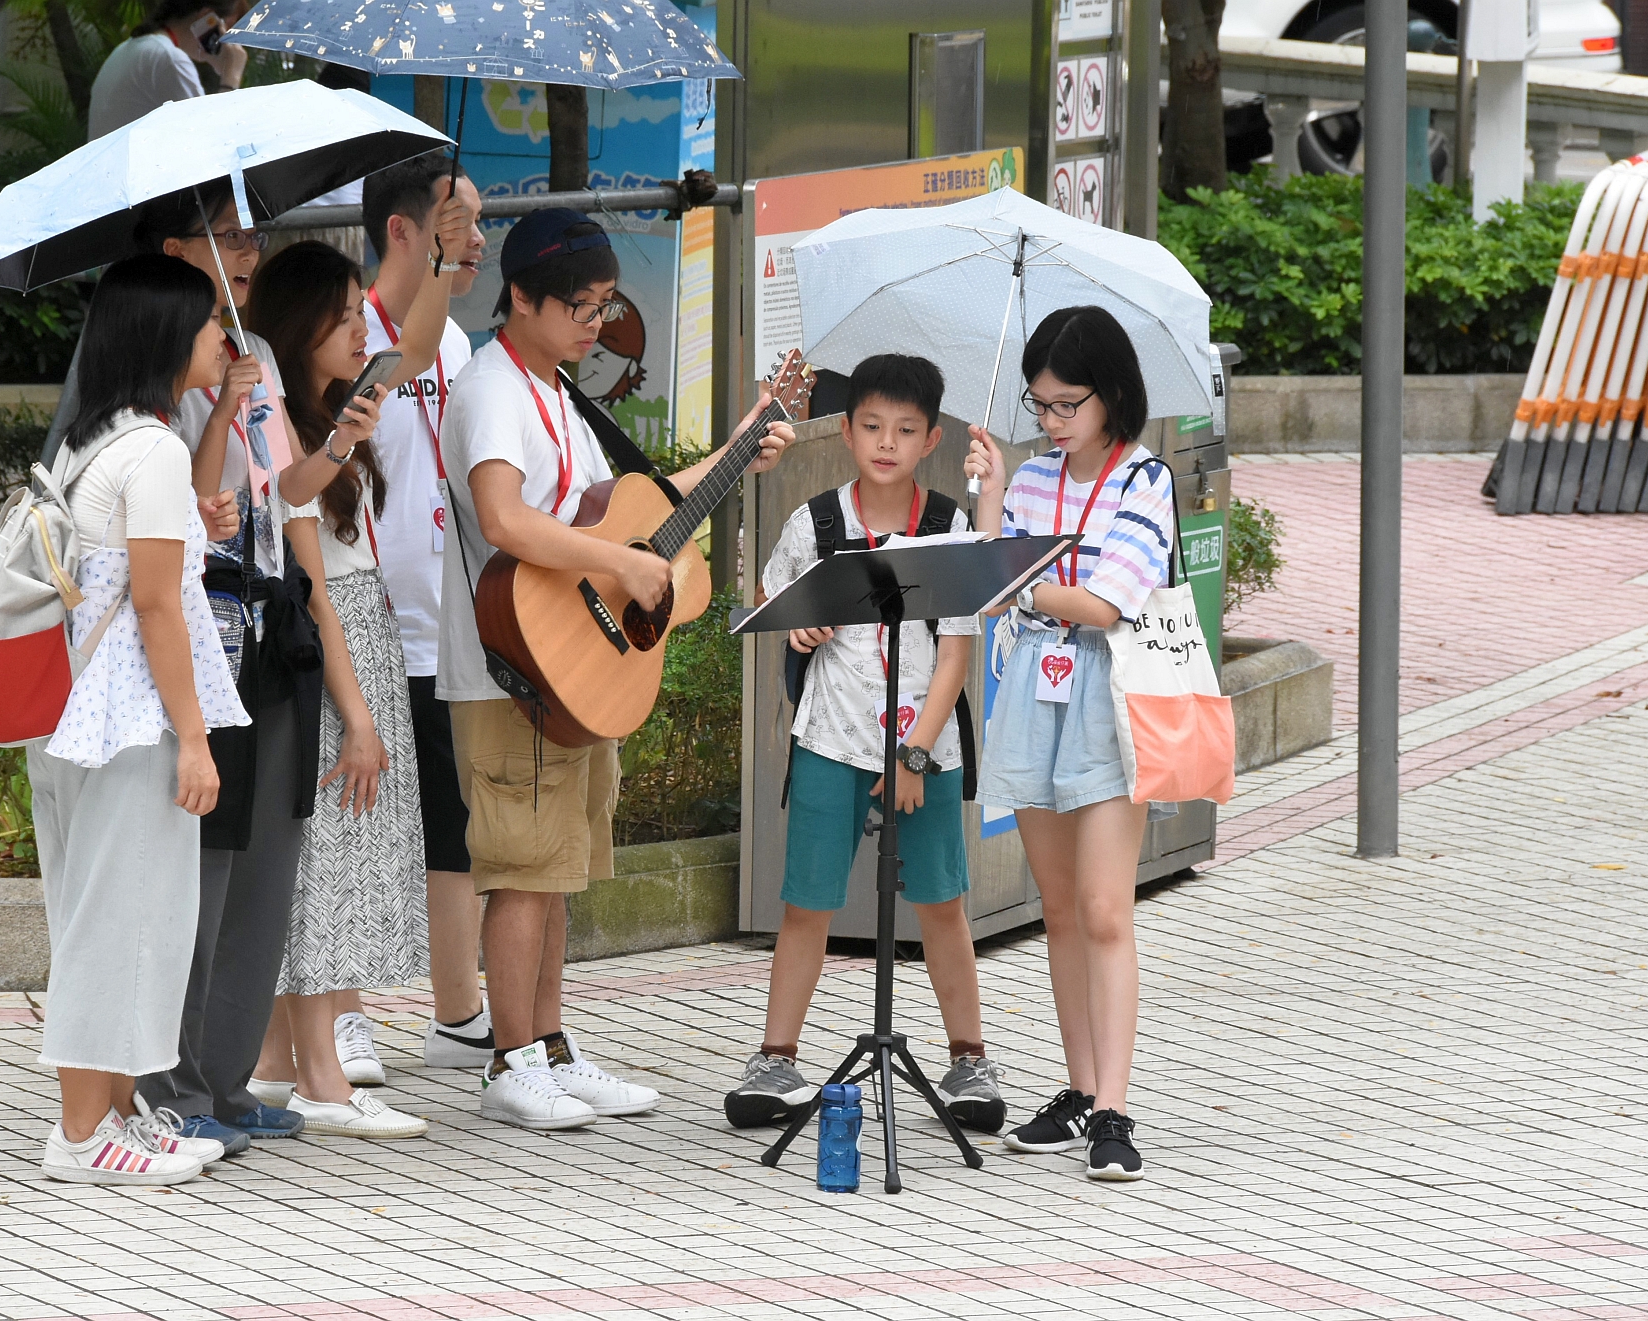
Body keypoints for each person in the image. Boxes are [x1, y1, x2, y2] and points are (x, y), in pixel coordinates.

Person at [438, 207, 794, 1130]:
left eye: (605, 306)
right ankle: (510, 1061)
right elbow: (504, 518)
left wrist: (740, 449)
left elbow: (641, 513)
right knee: (522, 869)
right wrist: (617, 566)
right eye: (581, 307)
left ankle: (550, 1046)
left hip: (573, 671)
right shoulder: (492, 388)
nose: (596, 326)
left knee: (557, 868)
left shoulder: (559, 391)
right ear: (521, 297)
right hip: (513, 666)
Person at [130, 184, 379, 1150]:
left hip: (274, 629)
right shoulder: (157, 365)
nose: (247, 254)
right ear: (178, 249)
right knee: (203, 867)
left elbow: (284, 488)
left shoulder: (260, 352)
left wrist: (341, 438)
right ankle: (174, 1082)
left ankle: (228, 1079)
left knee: (265, 869)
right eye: (227, 237)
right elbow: (183, 511)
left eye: (251, 237)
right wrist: (217, 411)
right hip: (203, 635)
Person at [724, 353, 1006, 1136]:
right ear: (846, 432)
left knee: (941, 903)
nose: (887, 442)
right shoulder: (816, 522)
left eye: (906, 430)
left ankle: (969, 1058)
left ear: (932, 439)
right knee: (806, 902)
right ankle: (775, 1058)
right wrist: (801, 623)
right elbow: (771, 601)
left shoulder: (949, 529)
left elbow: (956, 655)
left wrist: (915, 752)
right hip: (829, 737)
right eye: (873, 426)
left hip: (924, 747)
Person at [29, 253, 253, 1184]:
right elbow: (158, 605)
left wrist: (198, 521)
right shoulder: (153, 449)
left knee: (111, 912)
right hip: (128, 721)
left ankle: (119, 1112)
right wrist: (195, 739)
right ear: (166, 336)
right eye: (209, 324)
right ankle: (83, 1135)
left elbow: (132, 570)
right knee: (119, 920)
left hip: (78, 713)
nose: (222, 338)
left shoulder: (94, 439)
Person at [963, 305, 1175, 1182]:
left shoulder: (1145, 479)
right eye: (1039, 403)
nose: (1050, 420)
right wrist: (989, 495)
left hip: (1109, 696)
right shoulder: (1029, 478)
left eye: (1066, 403)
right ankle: (1082, 1090)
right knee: (1056, 910)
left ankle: (1115, 1108)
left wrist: (1024, 578)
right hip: (1032, 690)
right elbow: (986, 579)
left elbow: (1105, 604)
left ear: (1111, 393)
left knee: (1103, 909)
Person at [237, 240, 430, 1139]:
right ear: (299, 321)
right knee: (328, 864)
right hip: (332, 649)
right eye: (344, 315)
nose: (361, 330)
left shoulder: (317, 415)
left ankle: (279, 1063)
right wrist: (356, 715)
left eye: (362, 312)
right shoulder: (282, 419)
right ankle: (324, 1078)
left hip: (355, 639)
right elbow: (311, 580)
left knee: (330, 856)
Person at [354, 154, 489, 1081]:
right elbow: (399, 357)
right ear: (403, 230)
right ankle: (342, 1018)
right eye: (457, 222)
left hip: (450, 626)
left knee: (455, 829)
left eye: (477, 223)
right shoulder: (351, 335)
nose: (476, 241)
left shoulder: (461, 346)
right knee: (355, 831)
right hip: (368, 625)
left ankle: (458, 1013)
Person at [88, 1, 246, 141]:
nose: (230, 42)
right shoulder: (168, 59)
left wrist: (221, 66)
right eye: (227, 28)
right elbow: (208, 140)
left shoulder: (132, 48)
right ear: (206, 17)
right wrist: (231, 78)